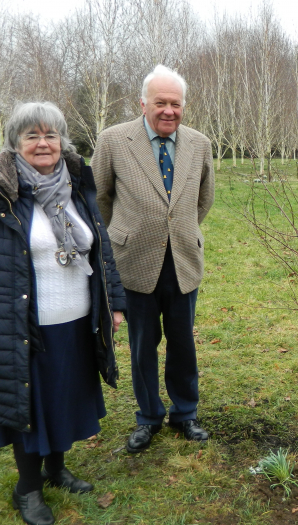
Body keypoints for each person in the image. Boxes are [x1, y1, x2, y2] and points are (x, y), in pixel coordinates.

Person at [0, 102, 126, 525]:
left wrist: (114, 302)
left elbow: (101, 250)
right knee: (28, 406)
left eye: (51, 135)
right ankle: (27, 489)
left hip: (76, 322)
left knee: (62, 398)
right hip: (21, 326)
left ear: (62, 141)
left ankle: (56, 469)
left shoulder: (77, 184)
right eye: (32, 136)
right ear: (14, 144)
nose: (43, 143)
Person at [91, 65, 214, 452]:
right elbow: (100, 198)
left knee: (183, 344)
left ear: (183, 106)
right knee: (143, 345)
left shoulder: (199, 144)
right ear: (142, 103)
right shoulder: (113, 141)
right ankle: (148, 417)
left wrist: (180, 228)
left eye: (175, 104)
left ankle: (185, 413)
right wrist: (121, 235)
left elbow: (203, 199)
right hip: (134, 263)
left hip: (183, 262)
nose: (168, 111)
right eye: (160, 102)